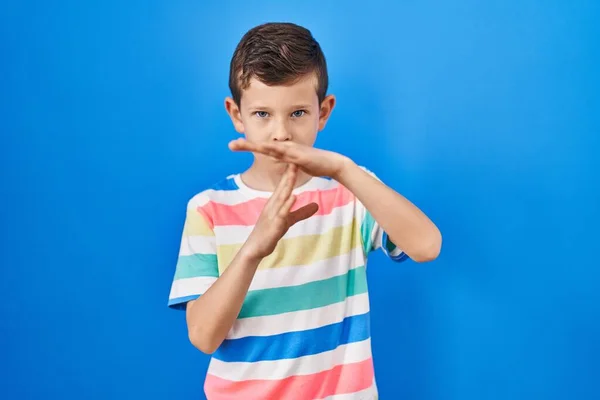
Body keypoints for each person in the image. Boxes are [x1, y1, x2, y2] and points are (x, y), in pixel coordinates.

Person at [167, 22, 442, 400]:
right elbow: (202, 336)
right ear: (236, 113)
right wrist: (252, 249)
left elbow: (427, 245)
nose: (281, 132)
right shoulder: (209, 209)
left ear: (323, 111)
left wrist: (345, 170)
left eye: (297, 112)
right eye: (262, 114)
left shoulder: (351, 195)